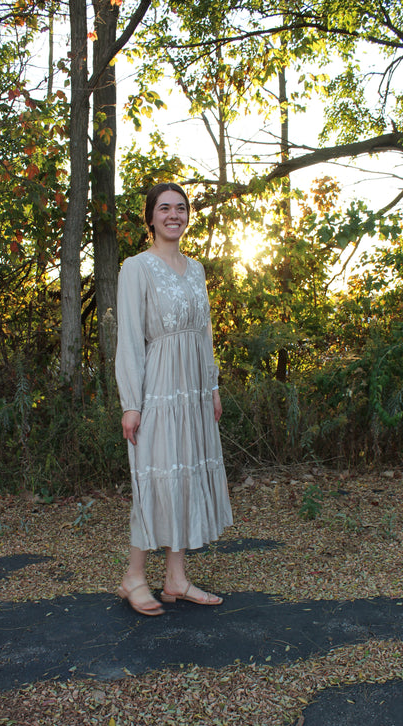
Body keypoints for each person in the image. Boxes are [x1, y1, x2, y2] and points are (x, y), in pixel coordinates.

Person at [115, 182, 233, 616]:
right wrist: (132, 401)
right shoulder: (137, 268)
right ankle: (133, 577)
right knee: (153, 476)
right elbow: (128, 336)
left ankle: (177, 578)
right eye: (164, 208)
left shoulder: (197, 269)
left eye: (180, 208)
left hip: (196, 390)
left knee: (185, 477)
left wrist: (213, 385)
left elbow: (204, 332)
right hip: (159, 386)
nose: (173, 215)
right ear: (150, 218)